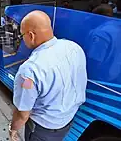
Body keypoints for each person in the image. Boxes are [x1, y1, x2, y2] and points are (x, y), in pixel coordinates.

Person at [9, 11, 87, 141]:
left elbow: (22, 113)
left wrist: (13, 129)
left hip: (43, 130)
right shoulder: (74, 47)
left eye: (22, 35)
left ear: (31, 35)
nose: (22, 39)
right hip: (69, 120)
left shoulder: (29, 71)